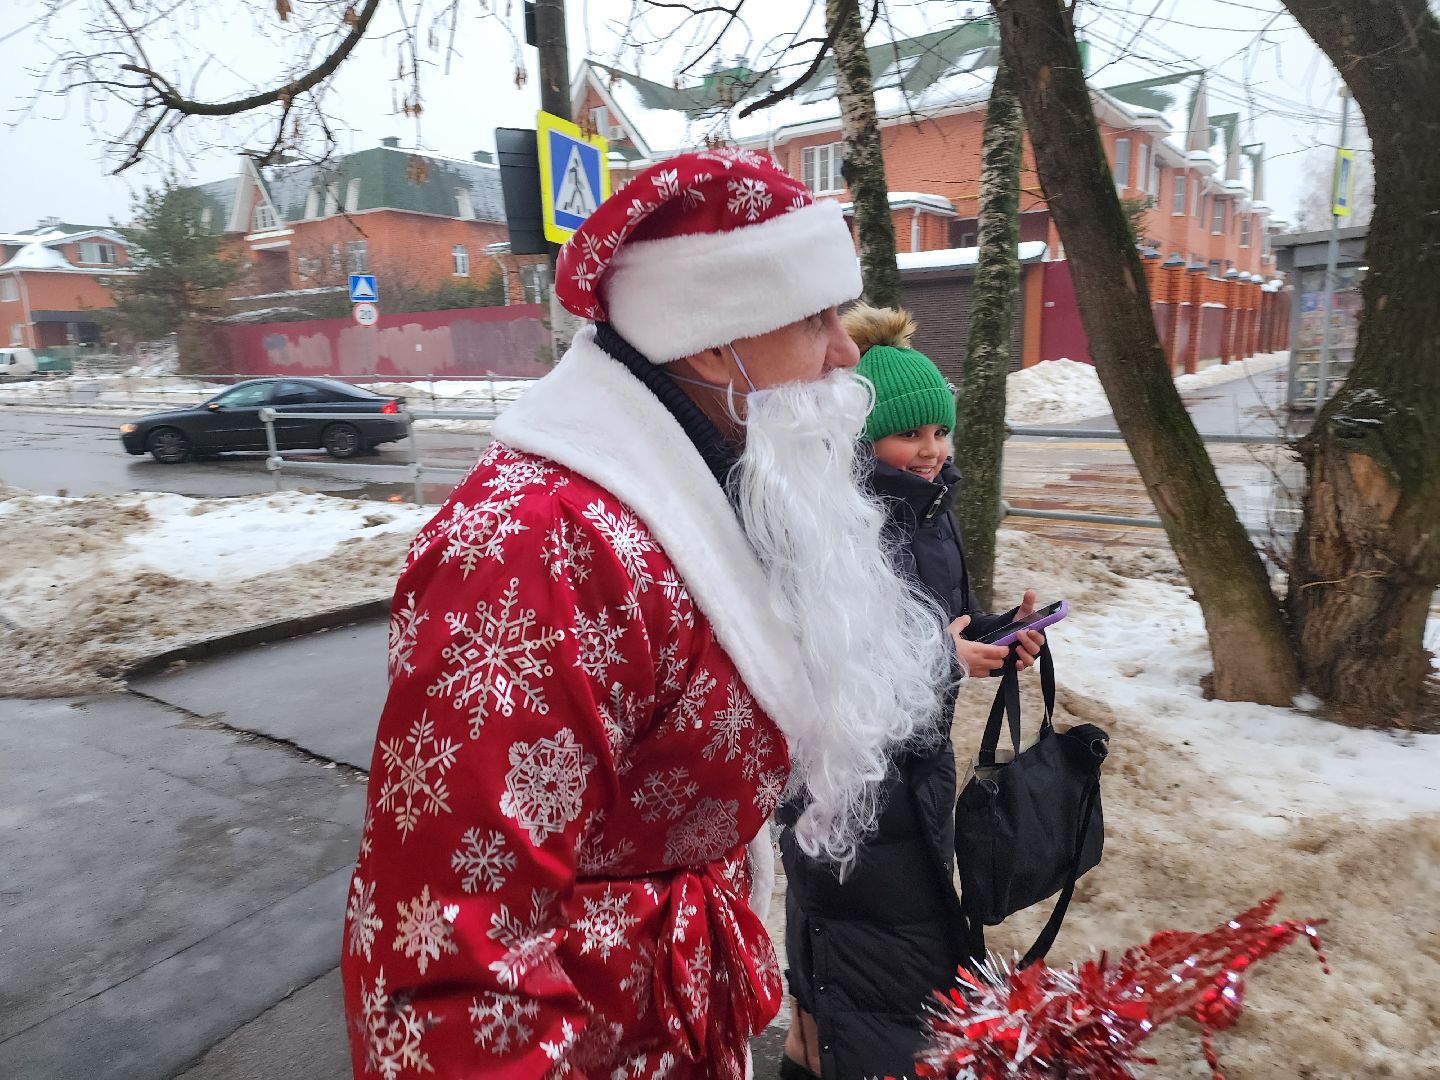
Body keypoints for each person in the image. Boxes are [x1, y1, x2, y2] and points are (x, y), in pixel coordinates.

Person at [340, 150, 961, 1079]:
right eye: (817, 320)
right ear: (713, 342)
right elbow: (448, 954)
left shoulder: (714, 480)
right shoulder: (533, 552)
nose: (845, 355)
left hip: (670, 1022)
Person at [778, 305, 1043, 1080]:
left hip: (913, 779)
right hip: (850, 793)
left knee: (846, 984)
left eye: (940, 431)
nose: (931, 450)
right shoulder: (836, 525)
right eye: (910, 435)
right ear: (863, 440)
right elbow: (824, 654)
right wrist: (943, 655)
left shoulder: (930, 513)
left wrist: (998, 633)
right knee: (878, 984)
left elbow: (942, 623)